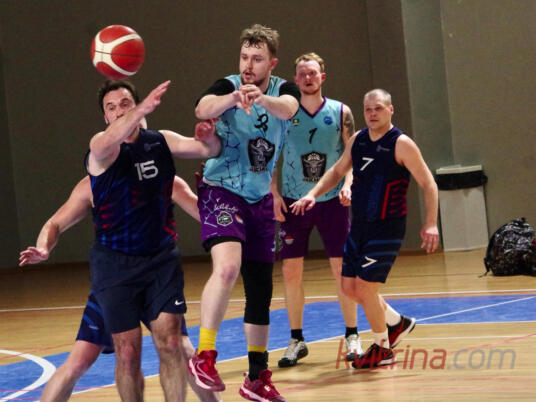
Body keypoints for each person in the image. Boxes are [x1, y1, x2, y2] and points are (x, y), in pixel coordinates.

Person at [19, 175, 220, 402]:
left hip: (156, 277)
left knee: (180, 348)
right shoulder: (93, 184)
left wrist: (215, 199)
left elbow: (207, 216)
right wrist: (43, 248)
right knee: (81, 360)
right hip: (114, 280)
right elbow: (55, 223)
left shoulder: (163, 177)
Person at [85, 79, 220, 401]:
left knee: (172, 342)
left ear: (136, 106)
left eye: (126, 103)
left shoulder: (161, 141)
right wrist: (141, 109)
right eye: (111, 107)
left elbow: (209, 150)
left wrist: (208, 136)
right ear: (105, 117)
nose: (119, 111)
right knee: (127, 352)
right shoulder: (101, 148)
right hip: (115, 265)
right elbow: (103, 145)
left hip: (160, 260)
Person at [189, 24, 300, 401]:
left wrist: (262, 99)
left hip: (258, 199)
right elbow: (202, 107)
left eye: (257, 59)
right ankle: (205, 355)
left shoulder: (283, 89)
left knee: (260, 289)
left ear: (272, 63)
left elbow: (290, 109)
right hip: (221, 190)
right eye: (244, 57)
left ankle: (256, 377)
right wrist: (233, 98)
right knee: (227, 267)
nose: (248, 66)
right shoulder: (229, 85)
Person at [291, 88, 439, 369]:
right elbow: (337, 171)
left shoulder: (401, 144)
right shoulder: (358, 140)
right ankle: (396, 322)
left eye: (378, 108)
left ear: (390, 110)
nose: (372, 114)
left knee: (365, 287)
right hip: (359, 226)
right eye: (368, 109)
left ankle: (383, 348)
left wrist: (431, 223)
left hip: (386, 228)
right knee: (349, 288)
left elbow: (429, 184)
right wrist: (312, 194)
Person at [270, 52, 361, 368]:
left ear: (322, 76)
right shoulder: (284, 114)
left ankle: (352, 335)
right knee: (290, 271)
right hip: (294, 202)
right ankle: (296, 339)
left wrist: (348, 183)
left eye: (312, 73)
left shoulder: (341, 112)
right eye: (302, 73)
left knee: (341, 269)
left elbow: (351, 155)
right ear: (295, 79)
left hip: (332, 200)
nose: (307, 78)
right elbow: (271, 157)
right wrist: (273, 194)